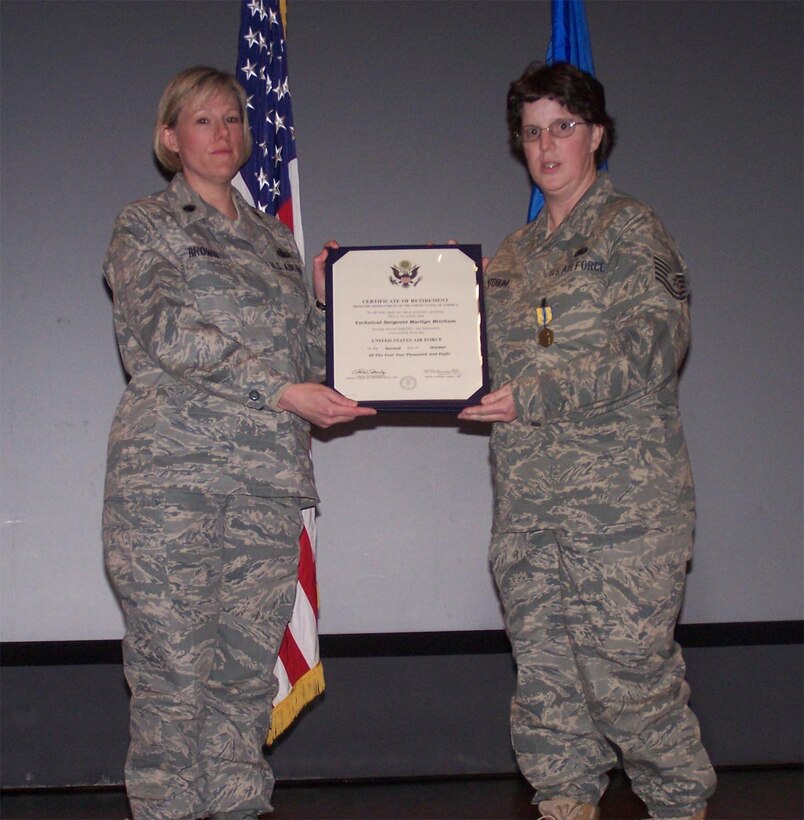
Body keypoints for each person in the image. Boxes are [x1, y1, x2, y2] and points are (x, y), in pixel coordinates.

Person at [102, 66, 375, 820]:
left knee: (243, 678)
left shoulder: (276, 245)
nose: (223, 135)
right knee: (172, 672)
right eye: (202, 121)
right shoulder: (146, 226)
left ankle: (239, 808)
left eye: (232, 120)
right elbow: (167, 334)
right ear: (170, 138)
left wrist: (338, 300)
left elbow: (314, 365)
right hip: (170, 484)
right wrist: (282, 390)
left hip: (266, 485)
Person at [459, 62, 716, 820]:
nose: (548, 146)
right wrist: (420, 296)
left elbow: (655, 342)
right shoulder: (506, 259)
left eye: (564, 128)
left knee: (632, 683)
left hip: (623, 516)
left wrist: (536, 394)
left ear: (597, 135)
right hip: (531, 515)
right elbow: (462, 359)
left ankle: (679, 806)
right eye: (533, 132)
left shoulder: (631, 230)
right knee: (548, 698)